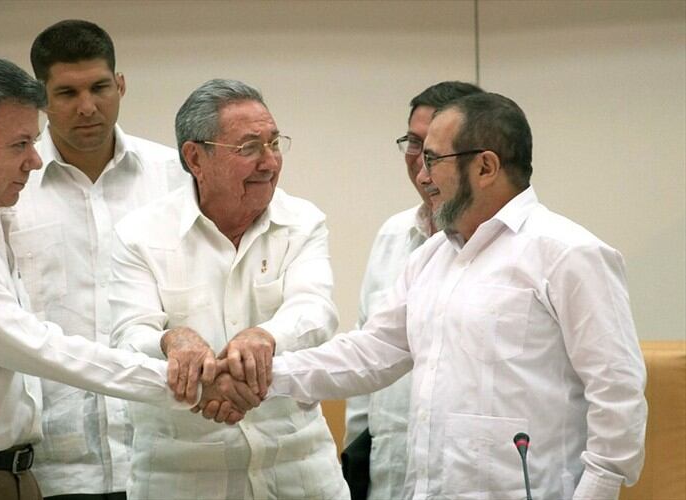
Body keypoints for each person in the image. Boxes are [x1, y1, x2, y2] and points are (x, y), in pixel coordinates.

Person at [0, 54, 254, 500]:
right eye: (20, 144)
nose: (33, 160)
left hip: (0, 474)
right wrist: (193, 384)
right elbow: (41, 348)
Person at [270, 92, 647, 500]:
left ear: (485, 166)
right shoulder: (431, 257)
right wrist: (263, 376)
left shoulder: (570, 254)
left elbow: (617, 392)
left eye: (433, 160)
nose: (422, 176)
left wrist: (597, 492)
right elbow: (371, 353)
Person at [109, 79, 349, 499]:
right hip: (180, 475)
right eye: (249, 148)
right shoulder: (140, 235)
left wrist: (264, 337)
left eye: (274, 143)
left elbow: (315, 311)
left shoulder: (303, 222)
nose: (270, 162)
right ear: (195, 157)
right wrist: (173, 341)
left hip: (299, 470)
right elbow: (129, 335)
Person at [10, 20, 191, 500]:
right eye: (66, 92)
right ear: (41, 99)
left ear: (121, 85)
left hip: (165, 457)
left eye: (100, 87)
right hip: (54, 466)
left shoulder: (176, 177)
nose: (87, 107)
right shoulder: (11, 190)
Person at [343, 81, 483, 500]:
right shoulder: (393, 234)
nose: (421, 164)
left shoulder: (536, 248)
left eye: (435, 150)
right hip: (390, 472)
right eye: (413, 143)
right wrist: (357, 458)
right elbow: (369, 347)